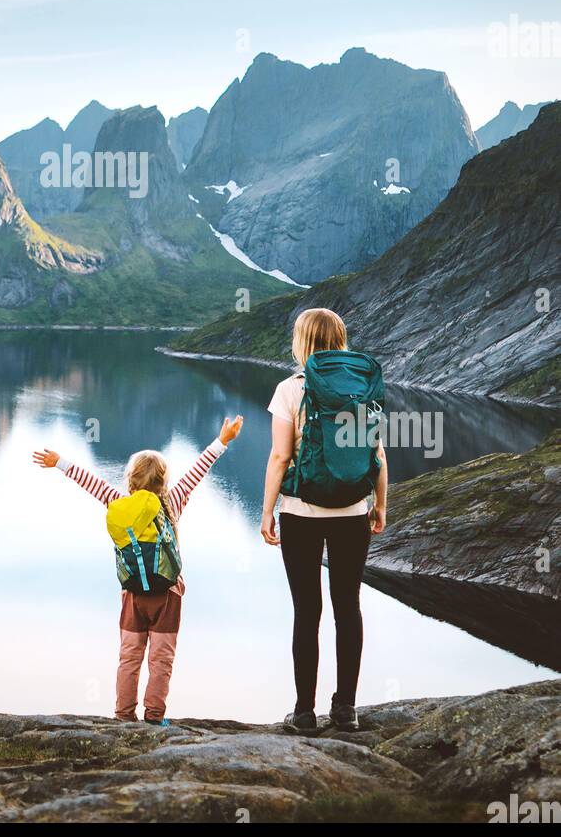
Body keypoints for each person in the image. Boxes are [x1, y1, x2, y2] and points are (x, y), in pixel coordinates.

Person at [33, 416, 243, 725]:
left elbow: (92, 483)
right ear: (164, 481)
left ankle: (122, 716)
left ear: (130, 480)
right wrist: (222, 440)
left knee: (129, 656)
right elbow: (200, 468)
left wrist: (59, 462)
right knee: (161, 659)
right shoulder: (172, 501)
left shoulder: (119, 501)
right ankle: (155, 718)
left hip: (132, 592)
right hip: (168, 593)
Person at [260, 308, 387, 736]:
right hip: (353, 510)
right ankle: (346, 709)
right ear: (341, 338)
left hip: (301, 511)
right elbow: (378, 456)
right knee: (347, 608)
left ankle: (303, 713)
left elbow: (280, 457)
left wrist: (266, 512)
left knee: (306, 611)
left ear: (303, 342)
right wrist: (380, 506)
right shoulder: (363, 390)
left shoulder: (289, 390)